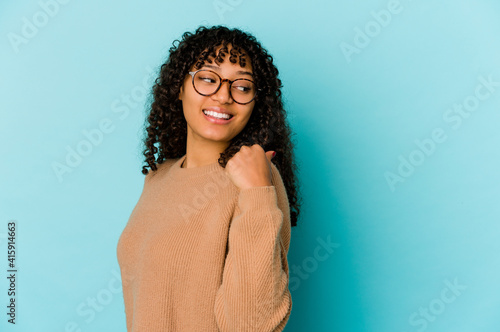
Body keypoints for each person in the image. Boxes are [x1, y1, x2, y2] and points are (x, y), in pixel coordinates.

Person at [117, 25, 302, 331]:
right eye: (207, 78)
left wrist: (257, 195)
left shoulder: (256, 178)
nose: (223, 96)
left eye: (242, 87)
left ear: (256, 102)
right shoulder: (158, 177)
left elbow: (252, 324)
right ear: (179, 86)